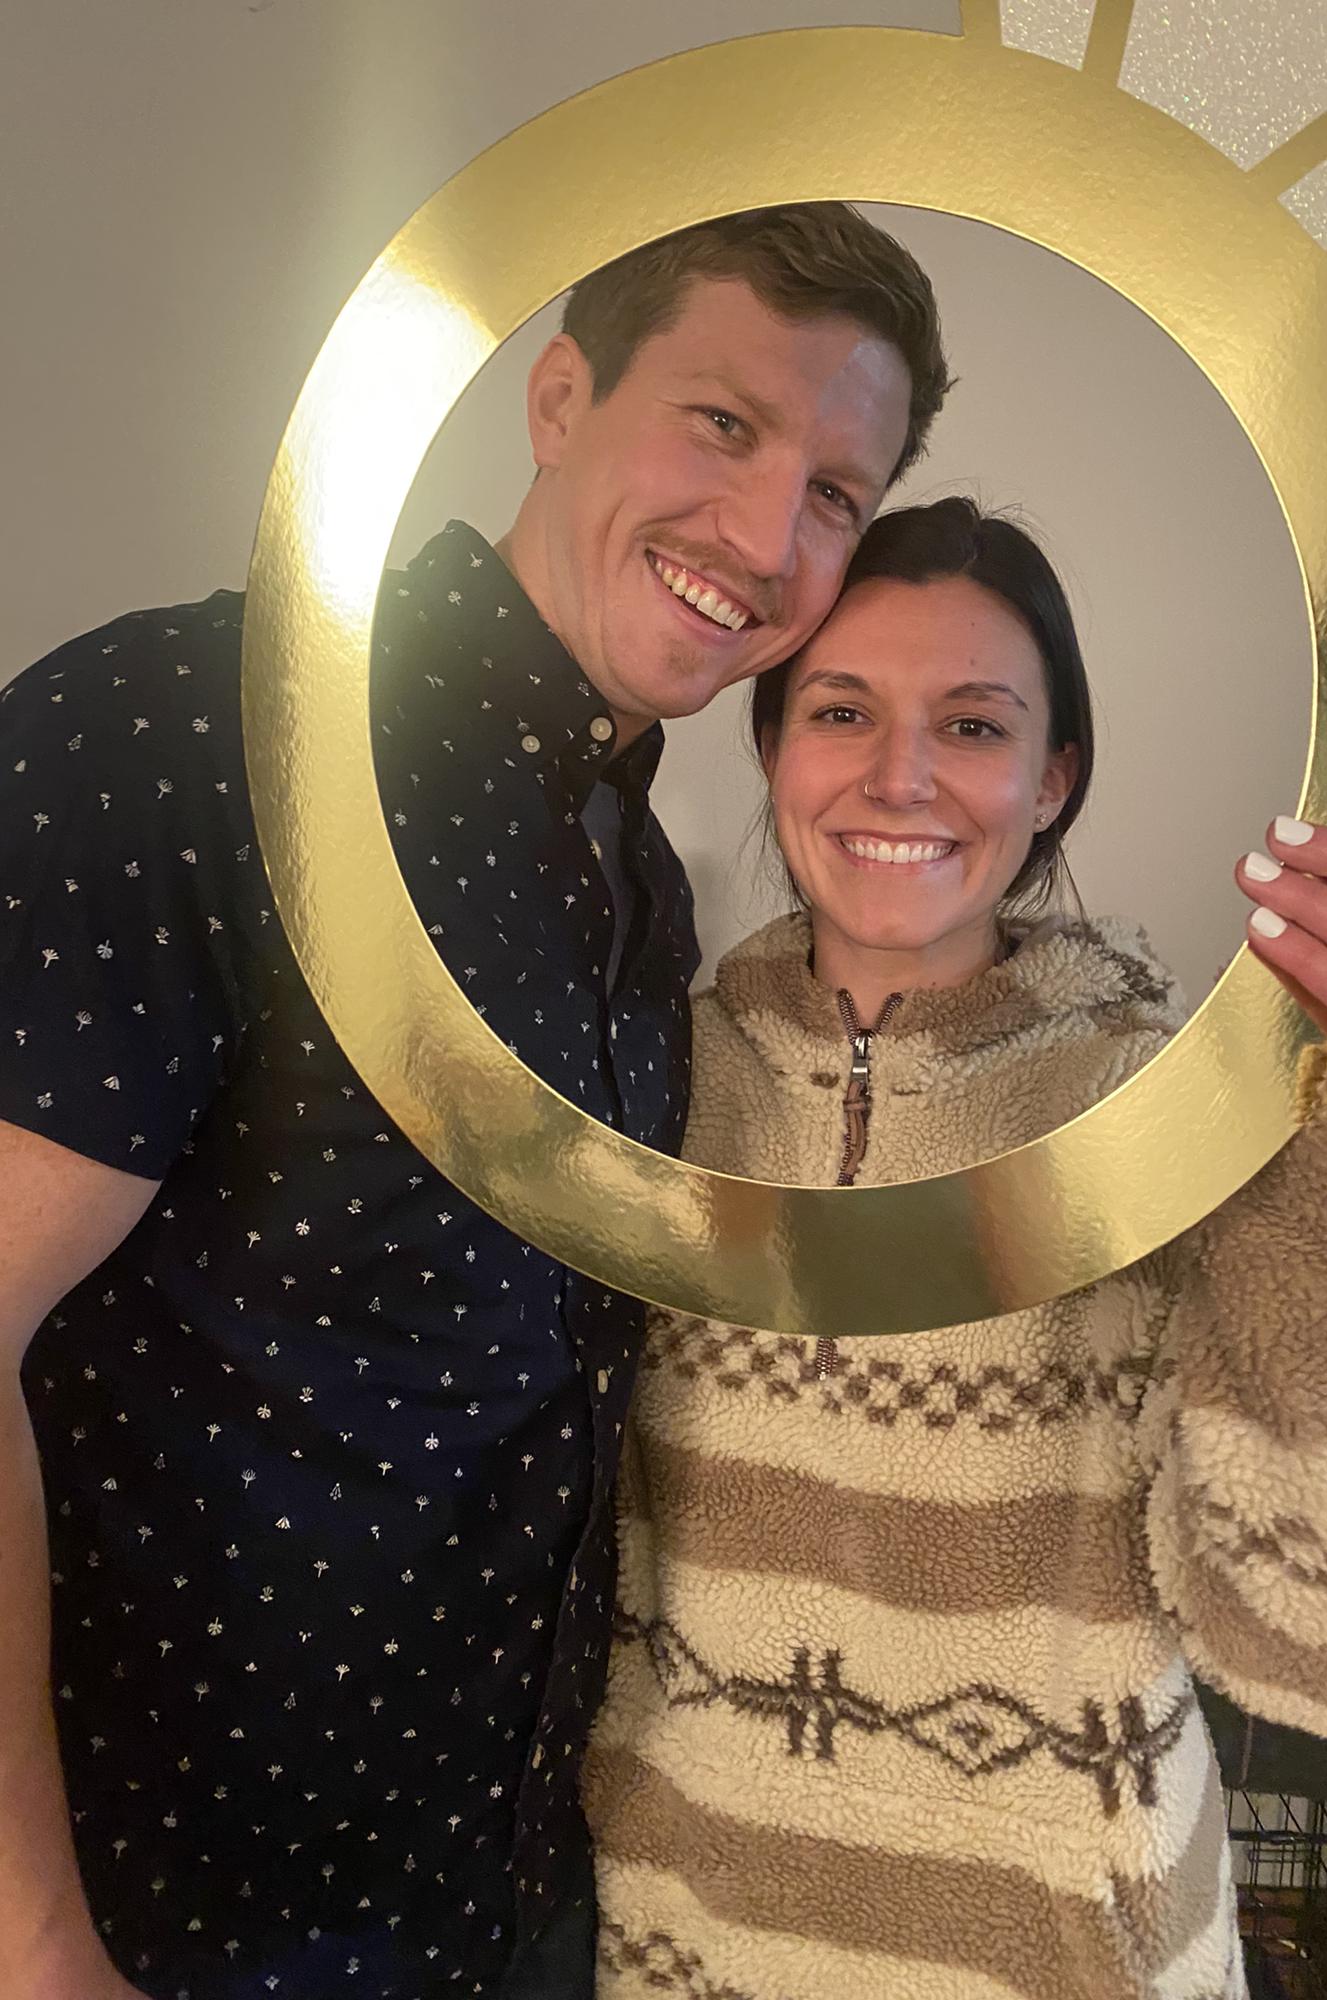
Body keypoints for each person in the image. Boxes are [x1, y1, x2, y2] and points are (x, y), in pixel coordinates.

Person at [0, 206, 951, 2000]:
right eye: (724, 424)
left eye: (835, 492)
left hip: (508, 1905)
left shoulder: (641, 885)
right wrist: (32, 1948)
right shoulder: (199, 724)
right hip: (164, 1929)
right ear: (560, 396)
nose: (765, 539)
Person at [584, 496, 1327, 2000]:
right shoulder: (647, 1085)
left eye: (974, 725)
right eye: (840, 710)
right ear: (771, 745)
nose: (899, 775)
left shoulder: (1171, 1120)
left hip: (1072, 1958)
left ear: (1052, 775)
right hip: (683, 1944)